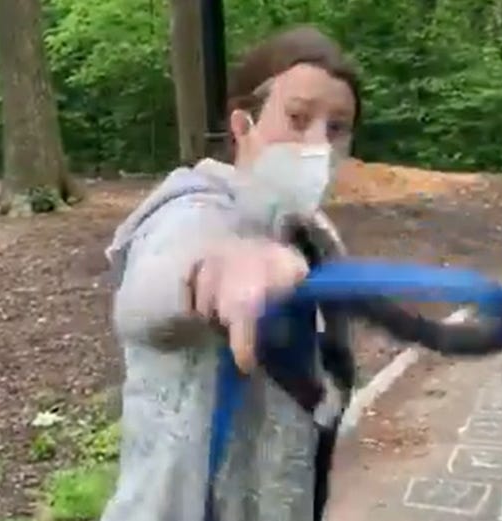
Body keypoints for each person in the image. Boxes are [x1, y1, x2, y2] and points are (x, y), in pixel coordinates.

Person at [101, 25, 361, 521]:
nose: (319, 144)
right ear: (243, 125)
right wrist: (214, 271)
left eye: (336, 128)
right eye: (298, 118)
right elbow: (148, 294)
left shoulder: (313, 234)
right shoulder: (190, 209)